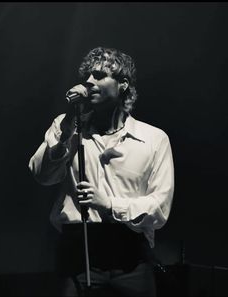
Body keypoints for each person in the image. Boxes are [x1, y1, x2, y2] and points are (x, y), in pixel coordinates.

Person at [29, 46, 174, 297]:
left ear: (123, 84)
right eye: (87, 76)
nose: (88, 82)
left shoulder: (154, 139)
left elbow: (159, 208)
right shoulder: (67, 126)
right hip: (78, 251)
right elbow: (42, 176)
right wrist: (64, 137)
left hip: (131, 256)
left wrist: (108, 204)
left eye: (98, 75)